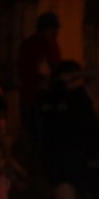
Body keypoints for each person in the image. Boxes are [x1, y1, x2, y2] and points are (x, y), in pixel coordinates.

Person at [39, 60, 99, 199]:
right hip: (61, 163)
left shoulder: (80, 95)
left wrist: (79, 75)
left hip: (82, 162)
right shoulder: (50, 99)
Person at [17, 11, 62, 160]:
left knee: (36, 138)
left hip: (31, 97)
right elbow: (55, 68)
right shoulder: (46, 44)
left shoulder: (30, 44)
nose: (56, 32)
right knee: (41, 139)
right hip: (38, 98)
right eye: (54, 28)